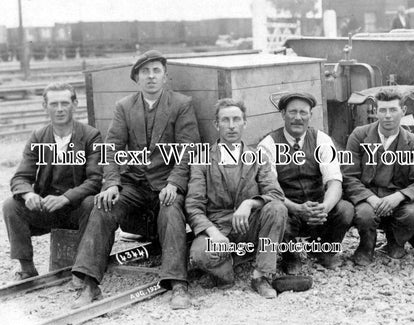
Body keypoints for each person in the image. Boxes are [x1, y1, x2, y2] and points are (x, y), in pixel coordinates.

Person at [72, 50, 200, 309]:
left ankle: (178, 285)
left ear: (165, 77)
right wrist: (111, 184)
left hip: (166, 184)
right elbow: (111, 149)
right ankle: (89, 284)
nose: (151, 76)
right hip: (134, 184)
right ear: (137, 78)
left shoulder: (181, 104)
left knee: (171, 210)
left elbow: (189, 149)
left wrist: (174, 183)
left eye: (156, 71)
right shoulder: (124, 107)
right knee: (102, 205)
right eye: (145, 72)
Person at [187, 98, 287, 299]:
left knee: (277, 209)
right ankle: (229, 266)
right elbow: (193, 205)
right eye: (225, 120)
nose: (231, 126)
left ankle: (261, 276)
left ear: (245, 122)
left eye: (236, 119)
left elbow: (276, 194)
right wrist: (213, 233)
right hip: (217, 228)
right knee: (200, 256)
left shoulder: (258, 157)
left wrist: (250, 203)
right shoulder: (202, 159)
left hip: (248, 226)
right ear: (216, 125)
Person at [3, 82, 102, 280]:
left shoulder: (91, 136)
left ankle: (82, 268)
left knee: (92, 203)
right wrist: (28, 193)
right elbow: (20, 177)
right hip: (47, 209)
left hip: (76, 209)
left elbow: (95, 180)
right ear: (45, 107)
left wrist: (66, 198)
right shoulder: (39, 137)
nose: (59, 109)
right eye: (54, 104)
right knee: (11, 205)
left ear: (75, 104)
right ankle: (27, 268)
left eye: (65, 103)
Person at [258, 92, 353, 274]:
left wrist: (324, 207)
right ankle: (290, 255)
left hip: (317, 210)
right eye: (292, 112)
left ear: (310, 115)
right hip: (289, 209)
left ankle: (323, 250)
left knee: (345, 210)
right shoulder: (268, 144)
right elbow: (269, 190)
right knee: (275, 211)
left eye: (303, 112)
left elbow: (335, 182)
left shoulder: (322, 140)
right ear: (283, 114)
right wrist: (297, 208)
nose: (298, 118)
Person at [343, 87, 414, 266]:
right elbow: (349, 176)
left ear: (403, 111)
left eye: (393, 110)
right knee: (364, 214)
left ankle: (395, 242)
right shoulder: (360, 135)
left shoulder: (412, 142)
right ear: (376, 112)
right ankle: (366, 245)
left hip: (398, 198)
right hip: (369, 197)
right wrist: (372, 199)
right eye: (383, 110)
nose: (387, 115)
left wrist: (398, 197)